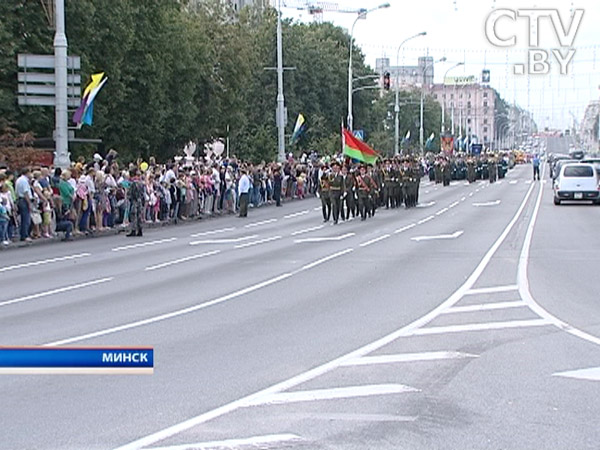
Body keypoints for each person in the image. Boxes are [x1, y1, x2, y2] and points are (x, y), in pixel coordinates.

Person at [15, 167, 33, 242]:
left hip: (20, 199)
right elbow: (26, 193)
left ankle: (24, 234)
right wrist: (29, 203)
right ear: (27, 173)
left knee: (24, 218)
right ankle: (24, 235)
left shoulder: (19, 179)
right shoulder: (24, 181)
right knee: (26, 219)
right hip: (24, 200)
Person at [127, 168, 144, 237]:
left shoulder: (133, 183)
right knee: (139, 215)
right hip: (139, 200)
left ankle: (133, 230)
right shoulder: (141, 183)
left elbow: (132, 193)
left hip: (134, 200)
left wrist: (130, 196)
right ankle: (140, 229)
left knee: (133, 215)